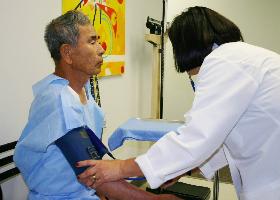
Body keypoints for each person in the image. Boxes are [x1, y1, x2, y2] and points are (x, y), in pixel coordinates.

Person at [77, 6, 280, 200]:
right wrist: (184, 168)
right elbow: (222, 137)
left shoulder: (224, 62)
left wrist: (120, 168)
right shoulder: (244, 58)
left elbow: (197, 137)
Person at [13, 10, 180, 200]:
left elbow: (95, 168)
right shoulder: (59, 102)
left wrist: (155, 172)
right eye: (92, 42)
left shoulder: (83, 90)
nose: (101, 49)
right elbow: (91, 174)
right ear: (67, 53)